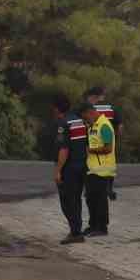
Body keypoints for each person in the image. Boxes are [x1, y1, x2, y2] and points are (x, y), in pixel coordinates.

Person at [52, 96, 88, 244]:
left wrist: (58, 170)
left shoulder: (63, 123)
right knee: (76, 199)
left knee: (67, 200)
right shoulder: (79, 121)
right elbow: (86, 145)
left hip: (69, 168)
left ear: (56, 109)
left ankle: (75, 232)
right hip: (81, 165)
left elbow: (64, 149)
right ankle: (76, 229)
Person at [81, 103, 116, 237]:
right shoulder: (92, 126)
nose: (85, 121)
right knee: (90, 198)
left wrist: (91, 150)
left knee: (100, 199)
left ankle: (102, 227)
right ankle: (93, 225)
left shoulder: (104, 126)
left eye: (86, 118)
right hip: (92, 168)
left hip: (103, 169)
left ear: (91, 112)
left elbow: (108, 148)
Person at [84, 85, 121, 200]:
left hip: (93, 138)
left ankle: (90, 189)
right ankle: (109, 189)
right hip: (108, 139)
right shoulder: (111, 108)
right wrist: (115, 138)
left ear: (93, 97)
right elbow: (119, 126)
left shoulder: (90, 108)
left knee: (92, 165)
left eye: (88, 97)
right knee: (109, 166)